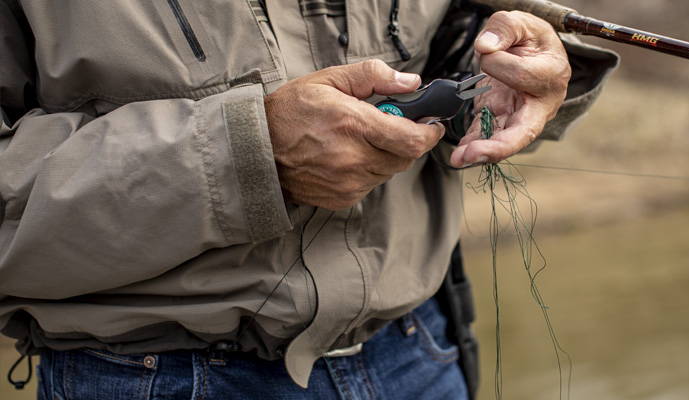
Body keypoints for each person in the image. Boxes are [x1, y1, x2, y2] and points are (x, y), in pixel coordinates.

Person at [0, 1, 617, 399]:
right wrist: (250, 154)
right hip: (151, 377)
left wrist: (497, 76)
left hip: (418, 353)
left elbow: (452, 28)